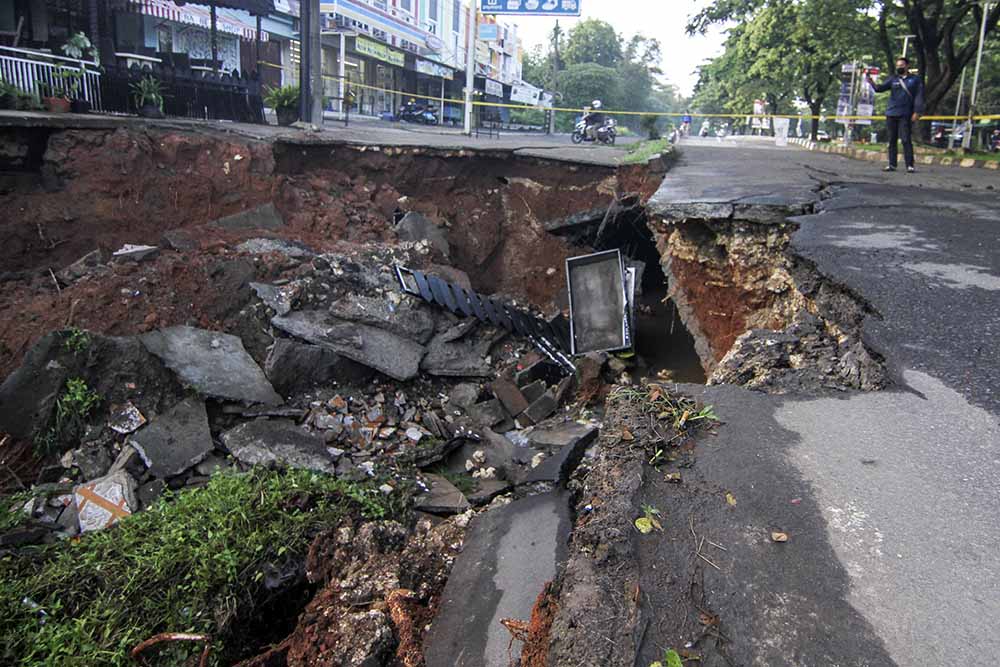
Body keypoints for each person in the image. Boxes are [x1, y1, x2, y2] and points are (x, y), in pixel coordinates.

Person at [866, 56, 925, 173]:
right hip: (891, 113)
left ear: (907, 66)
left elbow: (919, 96)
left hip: (905, 114)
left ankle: (910, 165)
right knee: (891, 140)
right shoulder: (893, 79)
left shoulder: (915, 80)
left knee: (905, 139)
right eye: (898, 66)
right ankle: (892, 164)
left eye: (901, 65)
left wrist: (917, 111)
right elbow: (879, 89)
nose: (899, 68)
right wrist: (870, 80)